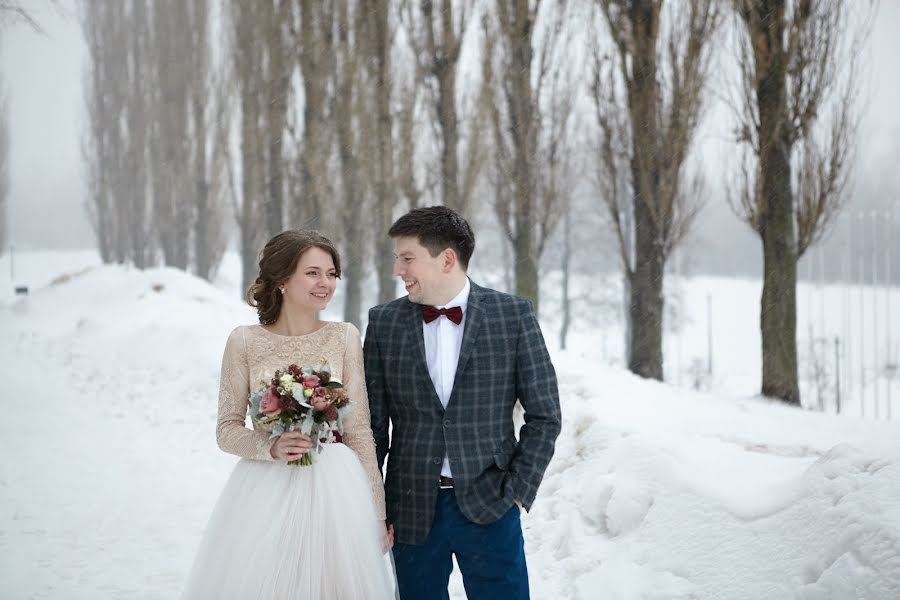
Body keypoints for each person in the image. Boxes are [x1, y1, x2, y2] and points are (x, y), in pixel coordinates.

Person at [181, 230, 394, 599]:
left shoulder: (344, 336)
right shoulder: (244, 341)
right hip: (265, 491)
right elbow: (226, 430)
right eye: (313, 273)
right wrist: (272, 446)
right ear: (282, 278)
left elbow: (359, 429)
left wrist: (375, 514)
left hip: (337, 492)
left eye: (331, 273)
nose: (325, 283)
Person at [364, 206, 562, 600]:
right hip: (411, 510)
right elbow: (373, 426)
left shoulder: (512, 315)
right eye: (396, 259)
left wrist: (518, 490)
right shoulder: (383, 322)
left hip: (491, 505)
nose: (397, 270)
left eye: (407, 258)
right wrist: (372, 504)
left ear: (447, 259)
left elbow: (545, 415)